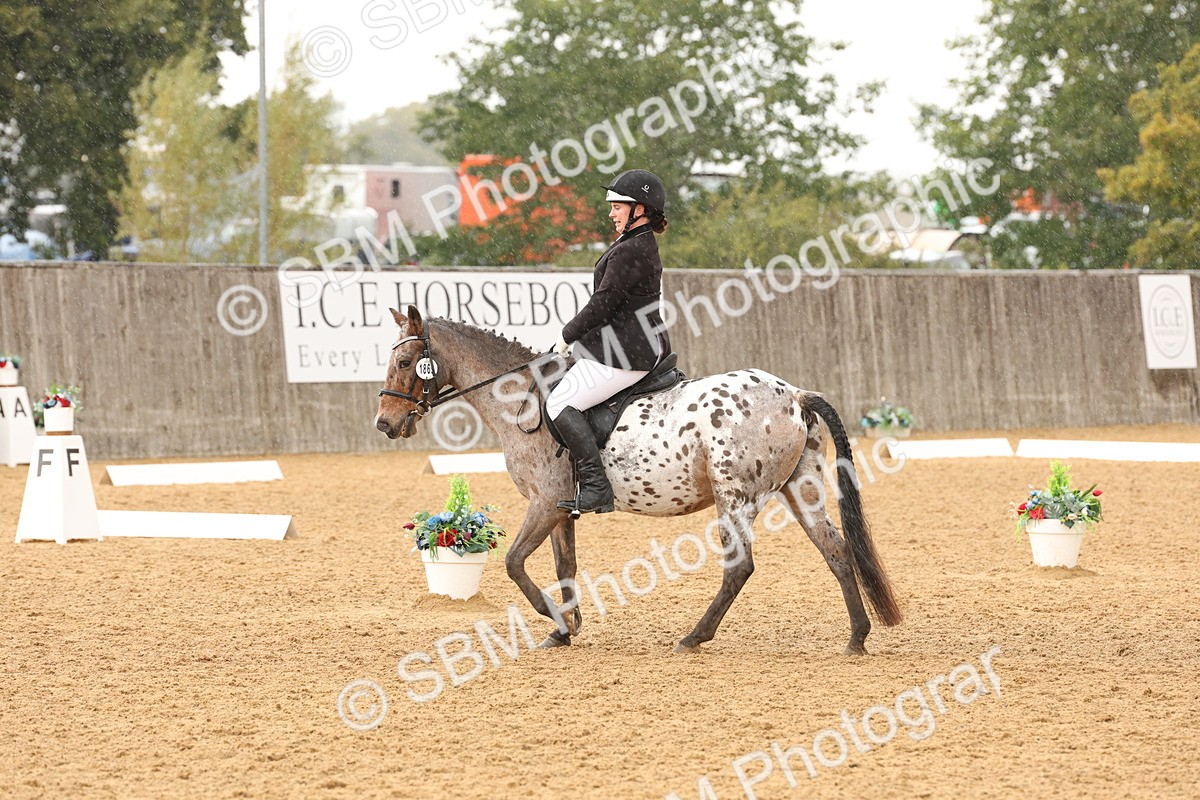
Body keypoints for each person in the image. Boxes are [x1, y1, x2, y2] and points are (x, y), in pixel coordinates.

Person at [547, 169, 672, 514]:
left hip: (627, 352)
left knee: (559, 403)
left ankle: (596, 487)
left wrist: (566, 335)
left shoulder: (631, 250)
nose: (611, 213)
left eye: (618, 207)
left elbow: (603, 304)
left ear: (639, 209)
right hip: (623, 344)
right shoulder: (632, 243)